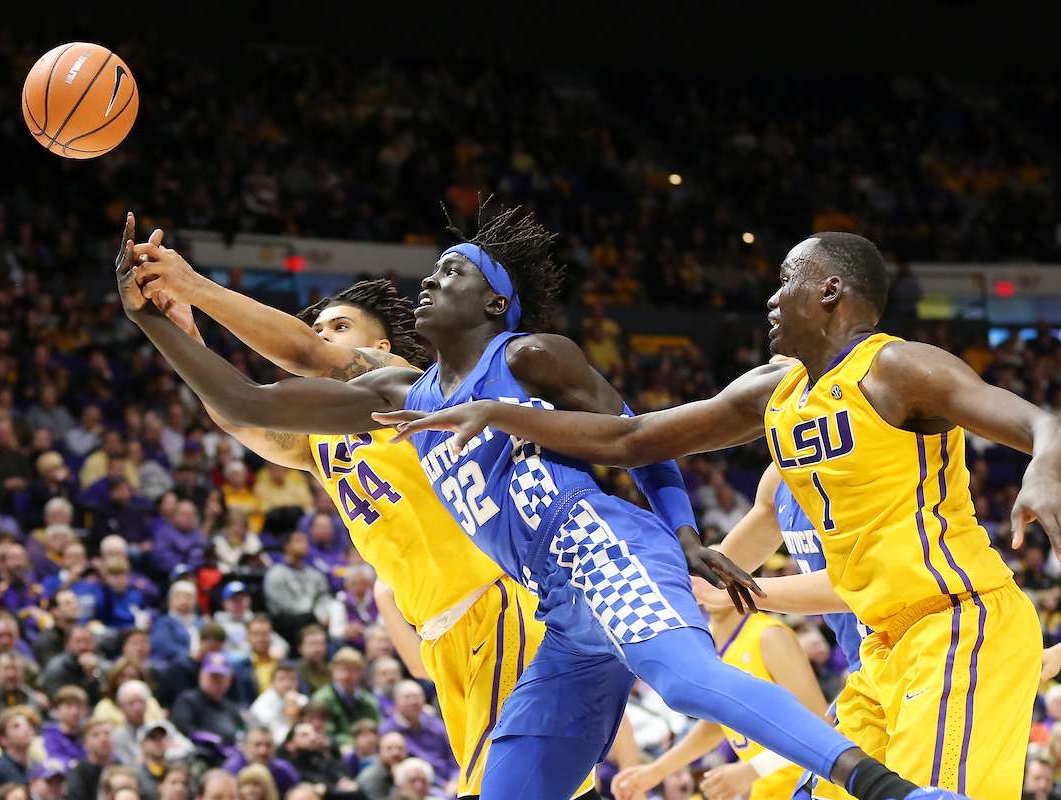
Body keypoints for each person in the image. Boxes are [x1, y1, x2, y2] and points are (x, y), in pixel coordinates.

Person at [121, 212, 965, 800]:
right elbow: (250, 403)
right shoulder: (397, 392)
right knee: (512, 782)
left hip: (602, 547)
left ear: (492, 302)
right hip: (561, 610)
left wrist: (685, 534)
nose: (427, 284)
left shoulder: (527, 354)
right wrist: (157, 321)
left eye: (450, 273)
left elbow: (638, 432)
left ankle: (891, 791)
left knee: (684, 678)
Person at [367, 228, 1061, 800]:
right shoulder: (772, 391)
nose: (771, 299)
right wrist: (506, 413)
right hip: (878, 649)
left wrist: (1044, 478)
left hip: (958, 621)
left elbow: (1052, 427)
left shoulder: (896, 368)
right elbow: (633, 438)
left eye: (785, 282)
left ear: (830, 291)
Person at [126, 231, 575, 799]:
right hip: (442, 631)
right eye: (318, 327)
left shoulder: (413, 391)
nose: (322, 340)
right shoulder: (320, 443)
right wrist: (181, 330)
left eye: (338, 328)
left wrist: (193, 284)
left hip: (497, 602)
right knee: (545, 787)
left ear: (382, 350)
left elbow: (305, 357)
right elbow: (240, 413)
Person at [612, 551, 829, 800]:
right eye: (697, 572)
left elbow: (821, 726)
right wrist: (658, 769)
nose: (703, 579)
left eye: (714, 572)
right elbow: (720, 721)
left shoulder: (769, 636)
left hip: (811, 783)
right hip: (768, 789)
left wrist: (751, 769)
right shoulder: (707, 641)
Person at [378, 680, 458, 793]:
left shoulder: (437, 726)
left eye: (417, 696)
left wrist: (454, 780)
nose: (413, 701)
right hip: (416, 786)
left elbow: (454, 757)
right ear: (395, 703)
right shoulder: (388, 732)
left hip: (450, 784)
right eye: (407, 697)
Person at [169, 652, 245, 746]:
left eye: (221, 677)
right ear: (201, 676)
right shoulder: (188, 702)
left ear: (229, 680)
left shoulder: (232, 708)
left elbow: (243, 733)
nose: (217, 682)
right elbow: (183, 730)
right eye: (212, 676)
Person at [311, 647, 380, 749]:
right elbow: (324, 732)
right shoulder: (322, 699)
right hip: (335, 750)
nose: (346, 676)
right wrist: (355, 743)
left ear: (361, 673)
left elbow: (377, 729)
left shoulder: (369, 702)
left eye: (352, 670)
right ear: (333, 671)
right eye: (342, 670)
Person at [0, 707, 40, 800]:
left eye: (28, 724)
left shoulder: (38, 766)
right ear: (3, 739)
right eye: (16, 726)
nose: (27, 728)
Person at [223, 726, 300, 797]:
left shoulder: (283, 770)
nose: (263, 751)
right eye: (257, 745)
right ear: (245, 746)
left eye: (268, 745)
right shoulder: (232, 770)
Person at [40, 625, 102, 704]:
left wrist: (93, 675)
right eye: (78, 641)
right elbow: (57, 700)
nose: (83, 646)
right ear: (67, 644)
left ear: (95, 644)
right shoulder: (56, 668)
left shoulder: (102, 665)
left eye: (87, 641)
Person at [250, 662, 308, 745]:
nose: (287, 684)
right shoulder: (262, 706)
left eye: (292, 679)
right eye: (282, 679)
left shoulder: (303, 700)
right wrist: (292, 712)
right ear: (272, 683)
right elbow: (276, 741)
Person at [66, 717, 118, 800]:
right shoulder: (78, 774)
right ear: (84, 743)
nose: (103, 739)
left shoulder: (122, 768)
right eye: (95, 735)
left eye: (107, 733)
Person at [149, 581, 202, 661]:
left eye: (188, 597)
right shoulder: (164, 622)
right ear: (170, 601)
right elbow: (162, 646)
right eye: (179, 597)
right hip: (176, 663)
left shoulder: (201, 623)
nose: (183, 602)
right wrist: (189, 655)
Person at [42, 685, 89, 764]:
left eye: (79, 706)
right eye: (68, 705)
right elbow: (53, 760)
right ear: (57, 710)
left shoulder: (89, 734)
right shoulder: (49, 735)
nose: (75, 712)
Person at [357, 732, 409, 800]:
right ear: (379, 753)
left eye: (400, 748)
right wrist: (398, 782)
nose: (395, 753)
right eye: (389, 748)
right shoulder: (369, 779)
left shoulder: (413, 774)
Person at [294, 626, 330, 695]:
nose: (316, 649)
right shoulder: (295, 671)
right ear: (300, 648)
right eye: (311, 644)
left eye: (320, 644)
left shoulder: (333, 671)